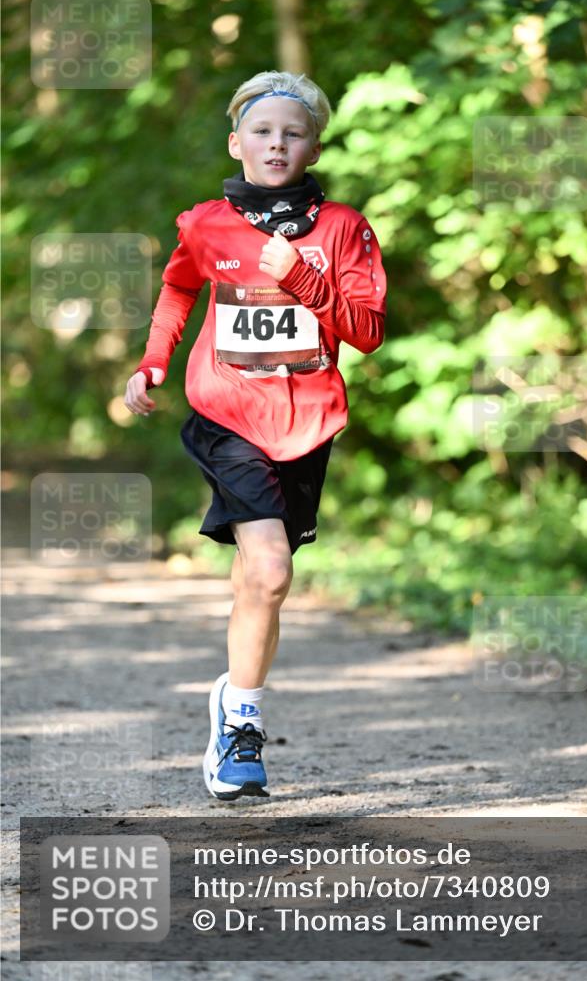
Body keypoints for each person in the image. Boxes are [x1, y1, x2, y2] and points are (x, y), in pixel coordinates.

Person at [124, 70, 387, 800]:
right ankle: (243, 724)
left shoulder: (343, 229)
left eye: (293, 133)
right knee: (270, 571)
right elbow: (179, 285)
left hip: (307, 423)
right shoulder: (206, 224)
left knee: (258, 579)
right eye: (262, 131)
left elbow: (367, 332)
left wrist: (303, 279)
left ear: (313, 148)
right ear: (236, 143)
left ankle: (232, 694)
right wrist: (153, 360)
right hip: (226, 414)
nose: (277, 144)